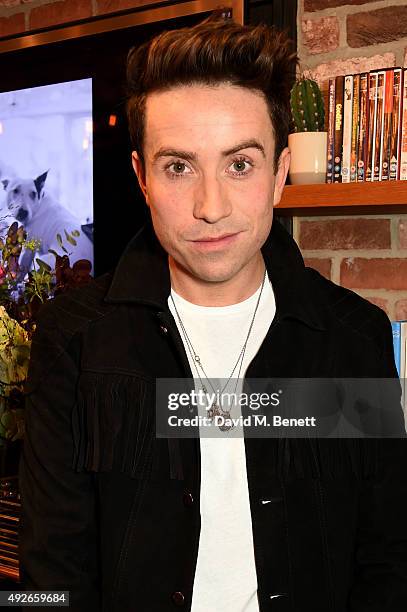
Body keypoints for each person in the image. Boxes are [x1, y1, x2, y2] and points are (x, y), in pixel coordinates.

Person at [19, 8, 407, 612]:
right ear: (141, 177)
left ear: (280, 173)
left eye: (240, 164)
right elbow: (50, 574)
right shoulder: (75, 342)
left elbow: (387, 558)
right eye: (178, 167)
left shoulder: (352, 338)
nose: (210, 206)